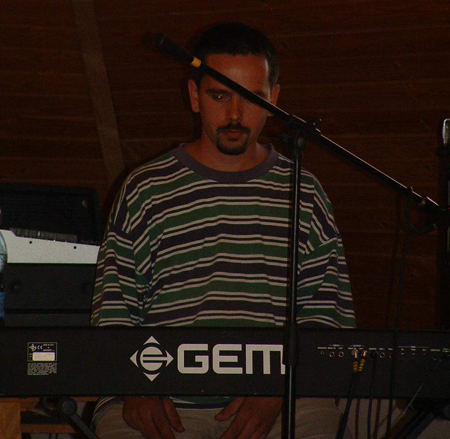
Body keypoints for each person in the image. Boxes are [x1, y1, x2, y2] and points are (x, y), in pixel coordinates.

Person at [91, 22, 355, 439]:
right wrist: (136, 387)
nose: (234, 114)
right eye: (219, 96)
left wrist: (277, 391)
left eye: (251, 98)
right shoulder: (146, 188)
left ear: (274, 99)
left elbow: (327, 319)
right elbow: (114, 310)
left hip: (282, 401)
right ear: (194, 96)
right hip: (163, 401)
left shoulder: (303, 192)